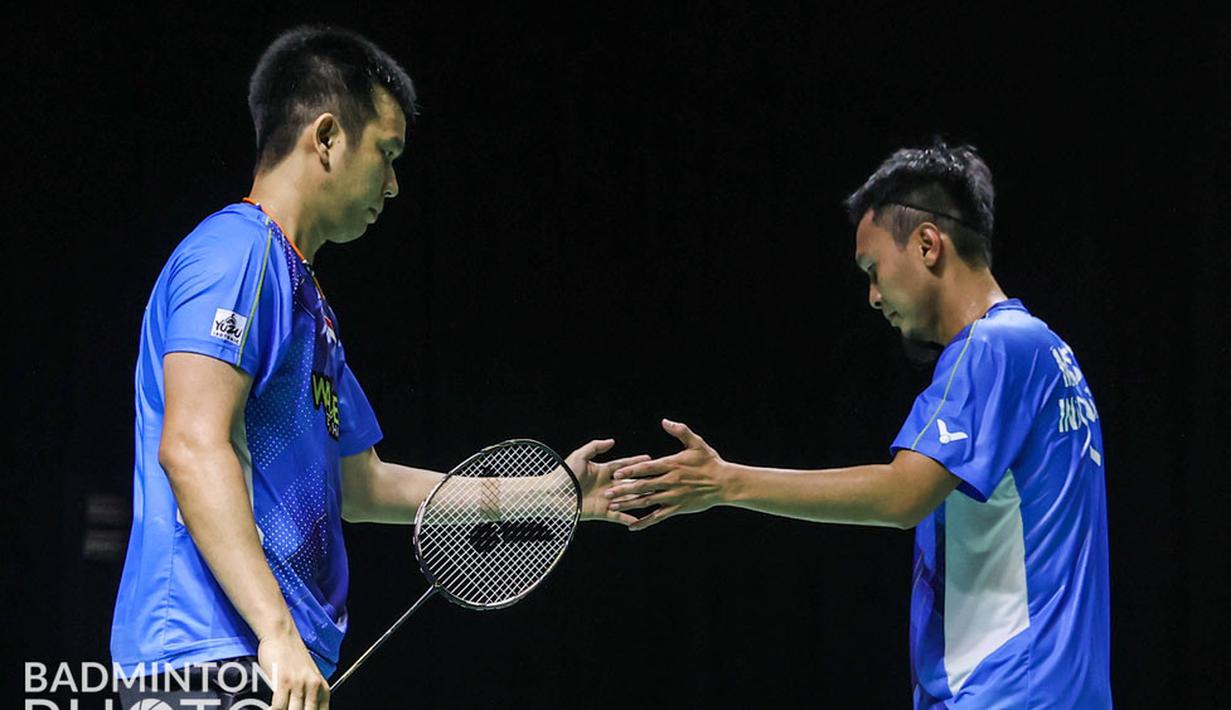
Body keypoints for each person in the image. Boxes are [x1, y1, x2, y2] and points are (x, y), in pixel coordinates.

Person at [110, 25, 643, 710]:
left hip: (272, 662)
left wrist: (553, 496)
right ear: (326, 137)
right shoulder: (234, 256)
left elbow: (360, 485)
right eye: (386, 154)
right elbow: (190, 444)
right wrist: (275, 634)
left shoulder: (309, 305)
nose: (393, 185)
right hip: (207, 651)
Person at [606, 141, 1111, 707]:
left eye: (874, 270)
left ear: (926, 245)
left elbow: (902, 496)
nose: (873, 297)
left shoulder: (990, 349)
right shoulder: (1050, 352)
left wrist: (726, 482)